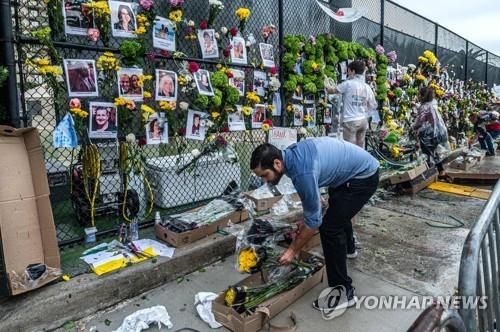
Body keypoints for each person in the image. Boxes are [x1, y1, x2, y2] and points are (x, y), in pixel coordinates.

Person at [250, 139, 379, 312]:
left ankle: (342, 294)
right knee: (337, 212)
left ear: (277, 163)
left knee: (330, 228)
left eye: (265, 175)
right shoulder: (291, 156)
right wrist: (315, 200)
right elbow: (312, 174)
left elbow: (313, 223)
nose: (266, 181)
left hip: (363, 177)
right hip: (349, 175)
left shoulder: (300, 172)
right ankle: (349, 249)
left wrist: (292, 251)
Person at [325, 60, 377, 149]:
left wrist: (326, 81)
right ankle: (361, 162)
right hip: (363, 121)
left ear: (353, 71)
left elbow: (331, 90)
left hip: (350, 121)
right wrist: (363, 110)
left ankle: (352, 163)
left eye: (348, 70)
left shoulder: (348, 84)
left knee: (350, 148)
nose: (347, 73)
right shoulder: (367, 87)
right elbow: (372, 104)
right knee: (361, 147)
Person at [413, 86, 451, 180]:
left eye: (419, 94)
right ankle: (441, 172)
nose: (417, 96)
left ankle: (429, 173)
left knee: (427, 153)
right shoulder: (432, 103)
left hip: (430, 133)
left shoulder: (424, 107)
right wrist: (416, 105)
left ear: (422, 96)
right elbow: (427, 110)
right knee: (434, 152)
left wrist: (413, 127)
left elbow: (420, 121)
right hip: (439, 130)